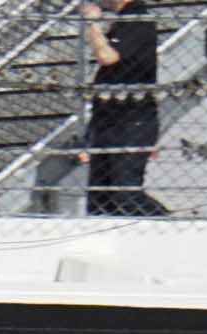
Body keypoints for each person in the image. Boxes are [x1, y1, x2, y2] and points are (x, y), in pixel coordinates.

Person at [80, 0, 169, 216]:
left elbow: (107, 57)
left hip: (131, 120)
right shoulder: (122, 21)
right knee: (99, 199)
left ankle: (170, 224)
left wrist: (93, 24)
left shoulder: (137, 18)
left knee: (126, 195)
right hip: (108, 119)